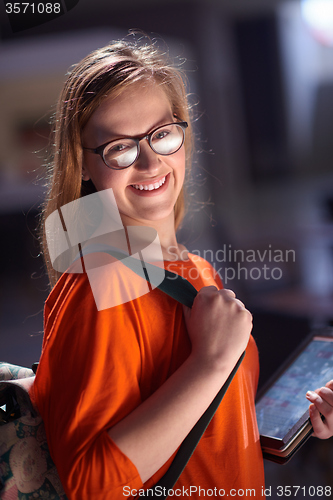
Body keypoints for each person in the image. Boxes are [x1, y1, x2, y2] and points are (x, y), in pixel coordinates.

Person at [32, 37, 333, 500]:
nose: (152, 161)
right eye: (119, 148)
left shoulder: (190, 268)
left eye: (162, 134)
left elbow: (202, 429)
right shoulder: (103, 280)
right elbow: (93, 486)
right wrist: (210, 364)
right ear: (83, 163)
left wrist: (296, 424)